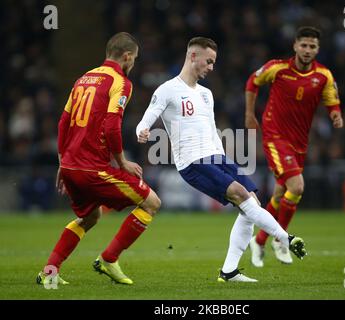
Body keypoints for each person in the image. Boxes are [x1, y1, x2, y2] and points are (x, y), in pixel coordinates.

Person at [136, 37, 307, 283]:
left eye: (214, 62)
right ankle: (286, 238)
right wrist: (141, 130)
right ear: (193, 56)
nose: (211, 67)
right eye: (209, 61)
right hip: (192, 161)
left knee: (252, 205)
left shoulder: (206, 94)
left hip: (217, 157)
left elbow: (211, 128)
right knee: (241, 195)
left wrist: (226, 159)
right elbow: (148, 117)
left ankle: (229, 271)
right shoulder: (167, 90)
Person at [36, 32, 161, 287]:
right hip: (92, 168)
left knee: (90, 217)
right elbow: (112, 126)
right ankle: (109, 258)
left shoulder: (84, 78)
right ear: (127, 57)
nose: (134, 64)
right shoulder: (121, 82)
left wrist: (62, 161)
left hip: (71, 165)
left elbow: (63, 123)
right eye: (134, 59)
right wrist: (123, 161)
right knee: (151, 203)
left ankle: (50, 271)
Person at [245, 26, 343, 267]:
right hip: (275, 136)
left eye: (312, 46)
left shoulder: (324, 75)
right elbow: (252, 82)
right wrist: (249, 114)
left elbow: (332, 100)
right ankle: (282, 239)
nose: (307, 50)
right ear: (295, 46)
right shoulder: (277, 68)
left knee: (281, 194)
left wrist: (336, 115)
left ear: (317, 49)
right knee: (297, 186)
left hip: (300, 141)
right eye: (304, 45)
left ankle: (259, 240)